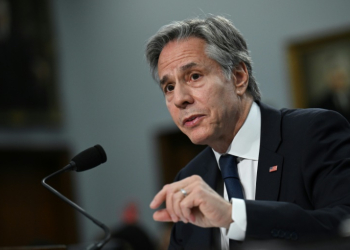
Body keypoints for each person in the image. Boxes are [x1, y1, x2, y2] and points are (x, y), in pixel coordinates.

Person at [145, 15, 350, 250]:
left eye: (194, 76)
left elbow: (344, 223)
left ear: (239, 77)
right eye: (169, 87)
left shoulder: (312, 133)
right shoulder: (188, 179)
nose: (180, 98)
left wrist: (236, 216)